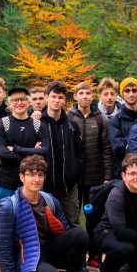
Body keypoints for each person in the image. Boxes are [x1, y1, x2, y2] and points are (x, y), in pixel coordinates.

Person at [0, 155, 89, 272]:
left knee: (79, 234)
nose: (36, 179)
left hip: (48, 248)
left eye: (40, 175)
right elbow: (2, 248)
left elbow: (65, 232)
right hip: (25, 256)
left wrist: (77, 271)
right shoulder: (8, 207)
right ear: (21, 177)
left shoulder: (50, 200)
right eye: (31, 174)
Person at [40, 81, 85, 227]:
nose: (56, 100)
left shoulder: (72, 125)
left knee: (72, 224)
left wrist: (75, 172)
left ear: (65, 100)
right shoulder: (37, 123)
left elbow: (81, 152)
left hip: (68, 187)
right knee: (45, 226)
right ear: (47, 98)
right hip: (43, 185)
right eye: (53, 96)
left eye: (60, 97)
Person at [68, 80, 113, 227]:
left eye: (88, 93)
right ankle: (77, 247)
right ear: (75, 96)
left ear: (92, 96)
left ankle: (94, 249)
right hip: (74, 177)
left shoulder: (100, 119)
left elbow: (106, 149)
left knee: (93, 216)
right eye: (81, 93)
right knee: (73, 215)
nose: (84, 96)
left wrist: (107, 176)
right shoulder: (68, 118)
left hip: (95, 177)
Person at [0, 86, 48, 201]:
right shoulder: (2, 124)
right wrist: (32, 153)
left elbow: (44, 151)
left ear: (28, 102)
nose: (19, 103)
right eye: (15, 100)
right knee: (7, 216)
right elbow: (2, 153)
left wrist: (15, 149)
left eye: (22, 99)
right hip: (7, 182)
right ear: (9, 104)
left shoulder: (37, 125)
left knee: (34, 217)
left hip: (33, 181)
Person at [106, 77, 137, 177]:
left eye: (134, 90)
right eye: (127, 90)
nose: (131, 94)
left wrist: (125, 139)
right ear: (122, 93)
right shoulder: (115, 120)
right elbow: (117, 147)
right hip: (124, 171)